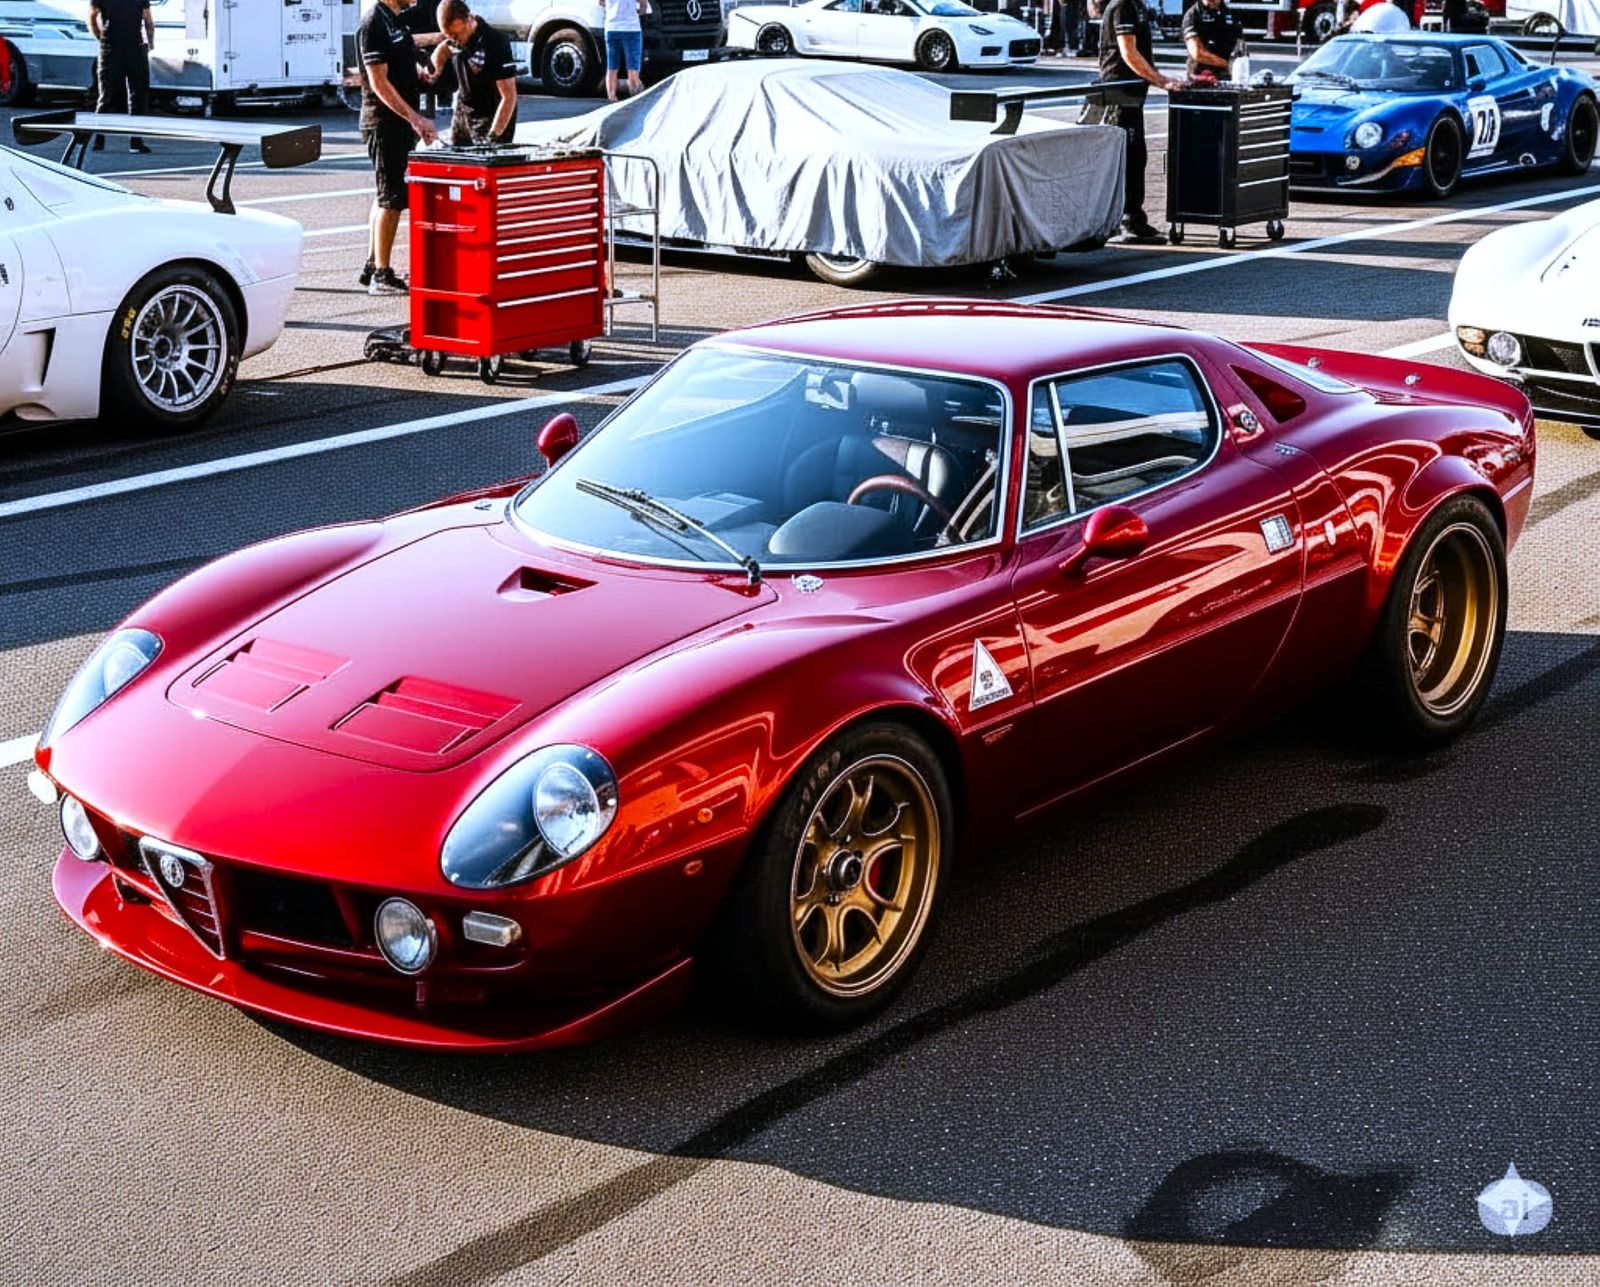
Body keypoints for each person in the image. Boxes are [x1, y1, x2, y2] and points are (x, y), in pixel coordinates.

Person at [358, 0, 439, 296]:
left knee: (385, 194)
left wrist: (418, 73)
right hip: (384, 123)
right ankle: (382, 275)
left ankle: (372, 263)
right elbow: (379, 82)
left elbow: (403, 54)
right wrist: (415, 118)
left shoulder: (396, 19)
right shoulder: (373, 22)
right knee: (391, 199)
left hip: (398, 124)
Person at [1096, 0, 1181, 243]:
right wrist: (1162, 81)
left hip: (1132, 95)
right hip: (1119, 94)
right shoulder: (1123, 5)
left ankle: (1133, 218)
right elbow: (1129, 52)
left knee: (1136, 157)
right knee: (1128, 158)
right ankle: (1126, 221)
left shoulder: (1136, 5)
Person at [433, 0, 520, 146]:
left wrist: (494, 136)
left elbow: (509, 97)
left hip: (492, 114)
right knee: (457, 156)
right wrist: (434, 71)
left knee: (485, 156)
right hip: (464, 110)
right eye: (450, 36)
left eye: (456, 35)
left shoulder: (496, 43)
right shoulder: (455, 39)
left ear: (469, 20)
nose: (454, 41)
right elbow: (444, 48)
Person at [88, 0, 152, 154]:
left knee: (105, 96)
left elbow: (92, 17)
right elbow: (148, 20)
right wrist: (150, 43)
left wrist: (101, 37)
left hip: (110, 48)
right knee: (137, 97)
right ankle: (135, 142)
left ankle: (99, 140)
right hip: (134, 47)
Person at [1182, 0, 1243, 79]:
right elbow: (1197, 53)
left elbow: (1241, 46)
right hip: (1201, 76)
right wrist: (1229, 65)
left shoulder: (1230, 13)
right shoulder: (1193, 15)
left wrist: (1240, 65)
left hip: (1227, 75)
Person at [605, 0, 649, 102]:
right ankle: (635, 100)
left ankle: (612, 97)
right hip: (631, 28)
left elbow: (601, 2)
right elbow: (643, 3)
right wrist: (640, 10)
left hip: (612, 27)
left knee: (612, 67)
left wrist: (613, 9)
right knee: (633, 69)